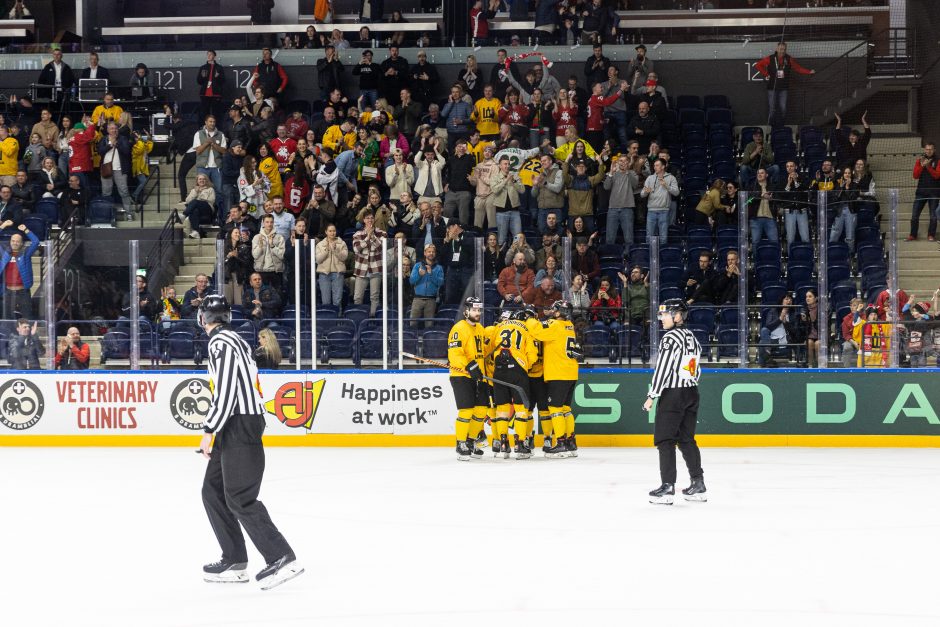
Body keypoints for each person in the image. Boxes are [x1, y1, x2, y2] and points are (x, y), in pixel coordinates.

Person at [196, 294, 302, 589]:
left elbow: (227, 390)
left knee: (240, 497)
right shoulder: (236, 339)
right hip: (236, 422)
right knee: (213, 490)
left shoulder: (220, 343)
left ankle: (281, 557)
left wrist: (209, 429)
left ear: (203, 318)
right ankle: (234, 558)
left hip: (239, 421)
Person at [643, 299, 706, 505]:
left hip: (673, 394)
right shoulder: (691, 337)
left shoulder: (670, 339)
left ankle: (667, 487)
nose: (661, 319)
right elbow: (695, 368)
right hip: (691, 392)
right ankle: (698, 484)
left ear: (678, 316)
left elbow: (664, 368)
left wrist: (652, 395)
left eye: (665, 315)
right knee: (686, 439)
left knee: (665, 440)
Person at [527, 300, 581, 457]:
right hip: (571, 372)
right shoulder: (569, 325)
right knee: (566, 409)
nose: (552, 311)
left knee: (555, 408)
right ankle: (571, 442)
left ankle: (561, 442)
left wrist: (530, 316)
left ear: (559, 313)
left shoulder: (555, 325)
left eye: (555, 309)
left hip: (559, 373)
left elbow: (537, 332)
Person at [448, 297, 488, 460]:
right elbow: (455, 353)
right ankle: (461, 443)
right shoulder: (459, 328)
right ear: (466, 311)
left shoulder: (480, 329)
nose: (477, 313)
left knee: (481, 409)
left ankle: (471, 440)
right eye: (474, 310)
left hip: (480, 376)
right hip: (462, 375)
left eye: (479, 310)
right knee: (466, 410)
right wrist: (469, 367)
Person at [754, 41, 815, 128]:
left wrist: (808, 71)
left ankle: (781, 127)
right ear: (777, 48)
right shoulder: (770, 58)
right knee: (772, 110)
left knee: (783, 108)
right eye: (780, 49)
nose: (782, 51)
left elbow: (798, 68)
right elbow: (758, 65)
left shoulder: (788, 59)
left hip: (784, 88)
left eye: (784, 49)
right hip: (772, 88)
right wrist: (766, 74)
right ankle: (771, 127)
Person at [1, 224, 40, 319]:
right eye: (13, 241)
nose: (15, 243)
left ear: (22, 243)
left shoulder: (26, 254)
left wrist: (26, 230)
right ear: (10, 242)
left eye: (18, 241)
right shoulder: (4, 253)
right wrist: (3, 226)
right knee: (6, 318)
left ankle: (27, 334)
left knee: (27, 317)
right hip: (7, 291)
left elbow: (36, 242)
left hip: (23, 291)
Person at [98, 121, 134, 225]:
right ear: (108, 130)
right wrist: (110, 145)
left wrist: (116, 144)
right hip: (106, 168)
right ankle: (106, 214)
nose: (114, 130)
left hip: (120, 169)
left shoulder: (122, 139)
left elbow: (127, 151)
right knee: (106, 193)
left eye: (116, 128)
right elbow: (100, 151)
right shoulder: (104, 139)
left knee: (124, 191)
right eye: (112, 128)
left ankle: (128, 213)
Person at [641, 158, 680, 246]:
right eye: (654, 165)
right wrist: (645, 192)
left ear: (663, 166)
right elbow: (642, 194)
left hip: (664, 211)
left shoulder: (671, 178)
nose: (655, 167)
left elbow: (677, 193)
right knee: (649, 236)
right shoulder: (650, 178)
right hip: (651, 211)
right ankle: (649, 257)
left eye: (657, 165)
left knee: (663, 237)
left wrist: (666, 186)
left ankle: (662, 257)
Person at [907, 142, 939, 242]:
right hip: (921, 192)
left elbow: (937, 176)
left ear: (934, 150)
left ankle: (931, 235)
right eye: (927, 149)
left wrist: (928, 166)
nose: (928, 151)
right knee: (914, 215)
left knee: (933, 216)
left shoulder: (938, 161)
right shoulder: (919, 160)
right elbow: (915, 176)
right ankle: (913, 235)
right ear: (924, 150)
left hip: (934, 192)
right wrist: (922, 165)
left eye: (931, 149)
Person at [252, 214, 286, 292]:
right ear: (263, 223)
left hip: (276, 271)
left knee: (277, 296)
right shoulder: (257, 237)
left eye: (271, 222)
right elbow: (255, 255)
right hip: (261, 271)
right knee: (262, 296)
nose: (269, 224)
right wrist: (260, 247)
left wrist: (272, 246)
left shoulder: (279, 237)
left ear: (273, 223)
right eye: (267, 222)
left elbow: (282, 255)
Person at [197, 50, 227, 122]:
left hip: (216, 94)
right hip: (205, 94)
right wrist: (203, 77)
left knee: (216, 113)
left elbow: (223, 81)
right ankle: (204, 129)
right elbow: (199, 81)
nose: (209, 56)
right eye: (208, 54)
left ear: (214, 56)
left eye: (210, 54)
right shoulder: (203, 67)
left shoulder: (219, 68)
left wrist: (218, 77)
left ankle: (217, 128)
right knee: (204, 113)